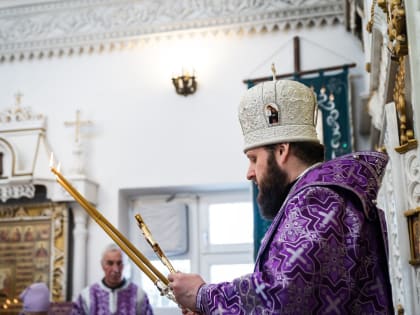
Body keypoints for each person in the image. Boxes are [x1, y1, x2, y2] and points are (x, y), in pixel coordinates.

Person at [168, 79, 394, 314]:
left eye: (254, 159)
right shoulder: (326, 194)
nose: (250, 173)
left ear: (282, 151)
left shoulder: (317, 199)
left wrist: (203, 295)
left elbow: (281, 297)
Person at [72, 243, 153, 315]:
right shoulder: (86, 295)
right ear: (102, 265)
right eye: (110, 263)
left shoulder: (139, 295)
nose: (115, 269)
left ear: (124, 265)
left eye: (119, 263)